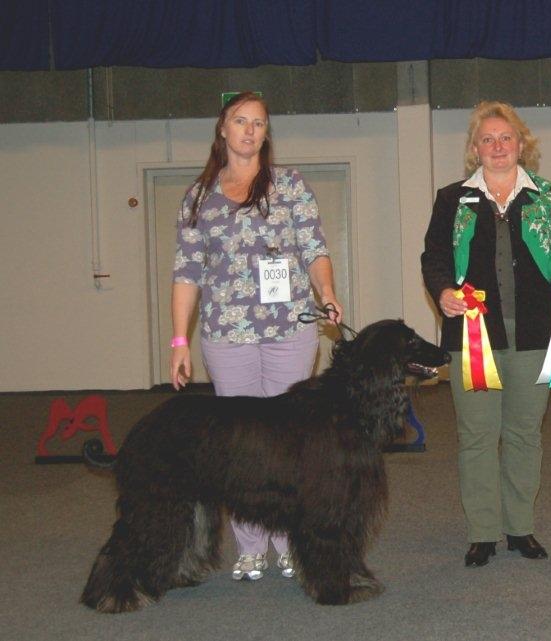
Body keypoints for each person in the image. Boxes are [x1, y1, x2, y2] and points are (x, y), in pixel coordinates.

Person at [171, 91, 342, 581]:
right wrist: (179, 341)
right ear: (222, 129)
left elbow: (315, 248)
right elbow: (186, 274)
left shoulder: (290, 186)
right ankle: (249, 545)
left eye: (259, 123)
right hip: (227, 334)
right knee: (243, 443)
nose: (249, 130)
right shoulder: (198, 197)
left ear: (267, 133)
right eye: (240, 121)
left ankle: (290, 538)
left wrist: (327, 292)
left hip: (290, 328)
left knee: (288, 439)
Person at [422, 101, 551, 567]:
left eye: (506, 138)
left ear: (522, 144)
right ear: (475, 149)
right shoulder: (451, 199)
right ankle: (482, 531)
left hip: (536, 337)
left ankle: (520, 527)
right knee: (476, 436)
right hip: (472, 338)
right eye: (488, 139)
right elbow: (434, 258)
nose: (498, 146)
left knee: (524, 435)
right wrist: (442, 292)